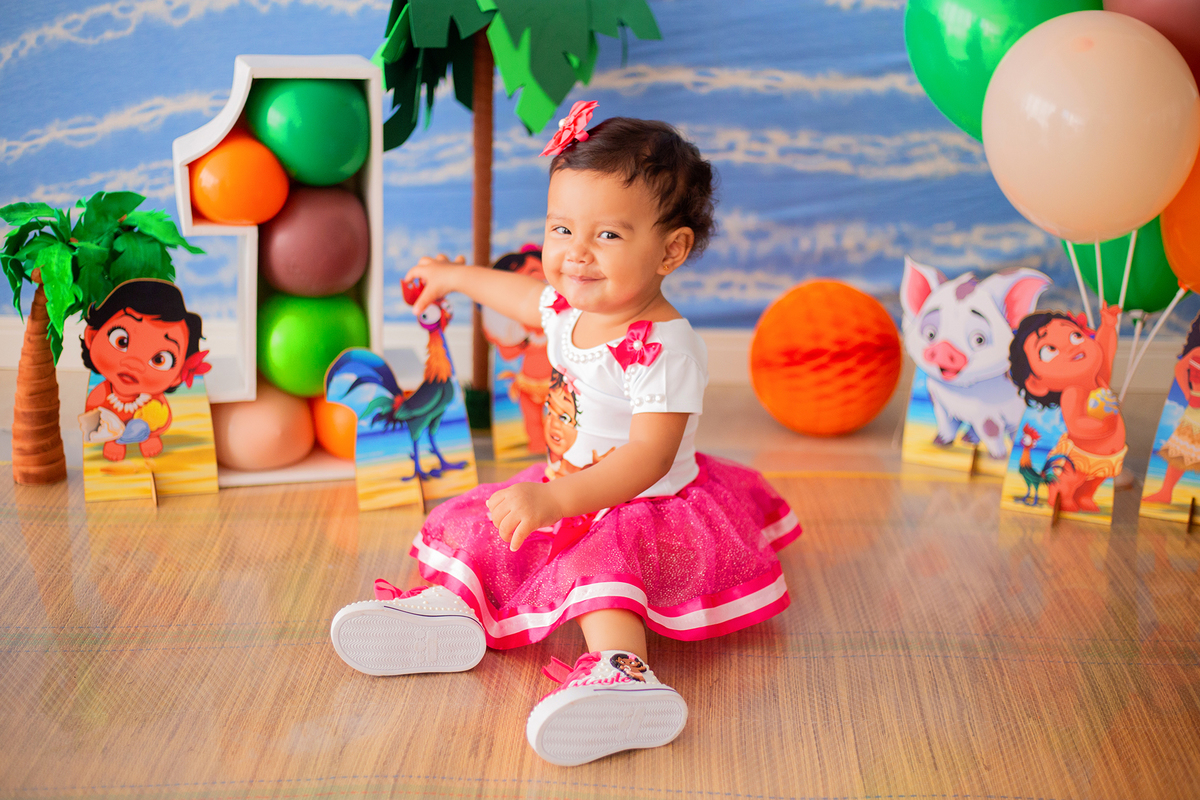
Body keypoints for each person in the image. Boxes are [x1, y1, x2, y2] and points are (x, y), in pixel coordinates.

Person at [329, 106, 802, 766]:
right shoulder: (570, 307)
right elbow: (523, 300)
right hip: (568, 483)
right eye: (561, 227)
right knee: (486, 524)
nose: (575, 251)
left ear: (671, 250)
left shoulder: (665, 347)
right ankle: (451, 611)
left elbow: (648, 455)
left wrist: (560, 502)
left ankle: (622, 672)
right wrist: (454, 277)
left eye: (607, 233)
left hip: (641, 503)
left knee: (596, 563)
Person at [1008, 305, 1126, 513]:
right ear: (1036, 382)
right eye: (1050, 349)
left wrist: (1108, 326)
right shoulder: (1073, 392)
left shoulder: (1098, 379)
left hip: (1108, 453)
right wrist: (1104, 424)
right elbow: (1077, 425)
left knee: (1099, 477)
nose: (1071, 347)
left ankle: (1086, 496)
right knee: (1072, 477)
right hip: (1081, 454)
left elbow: (1106, 352)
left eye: (1075, 336)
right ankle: (1060, 494)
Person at [78, 279, 207, 461]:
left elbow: (163, 419)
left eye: (159, 359)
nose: (134, 363)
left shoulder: (153, 400)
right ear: (92, 336)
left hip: (147, 432)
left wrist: (152, 431)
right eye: (121, 341)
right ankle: (113, 442)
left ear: (178, 375)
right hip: (110, 434)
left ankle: (147, 439)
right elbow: (92, 417)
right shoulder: (102, 394)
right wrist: (106, 431)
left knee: (150, 426)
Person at [1144, 313, 1200, 504]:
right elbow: (1180, 369)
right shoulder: (1196, 353)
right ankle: (1165, 492)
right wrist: (1187, 392)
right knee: (1181, 452)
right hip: (1195, 407)